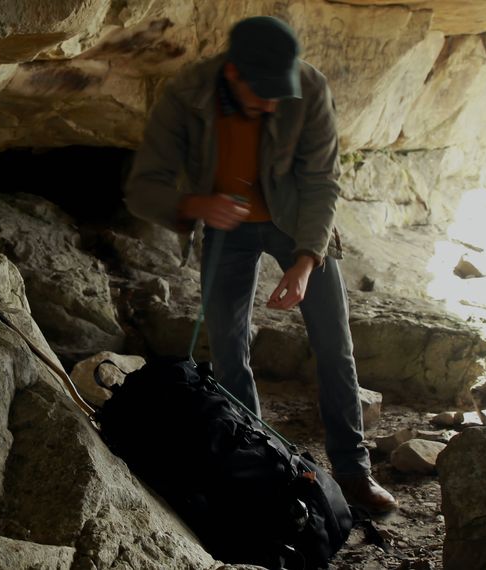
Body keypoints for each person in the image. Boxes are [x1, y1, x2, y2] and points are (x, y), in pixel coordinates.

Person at [124, 15, 397, 514]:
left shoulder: (308, 86)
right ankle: (260, 465)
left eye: (280, 92)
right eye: (263, 94)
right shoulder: (187, 95)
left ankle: (354, 472)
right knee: (228, 350)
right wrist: (196, 206)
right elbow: (143, 189)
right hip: (225, 229)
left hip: (296, 224)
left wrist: (306, 261)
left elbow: (321, 181)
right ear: (233, 75)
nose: (274, 103)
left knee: (335, 345)